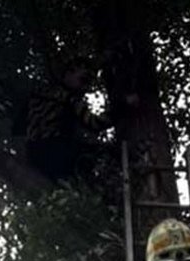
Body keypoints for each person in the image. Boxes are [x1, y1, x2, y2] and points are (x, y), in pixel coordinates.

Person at [24, 56, 128, 185]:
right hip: (54, 150)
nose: (85, 88)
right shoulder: (68, 97)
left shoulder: (40, 92)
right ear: (69, 73)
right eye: (84, 80)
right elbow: (94, 123)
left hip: (33, 153)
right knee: (103, 154)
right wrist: (122, 106)